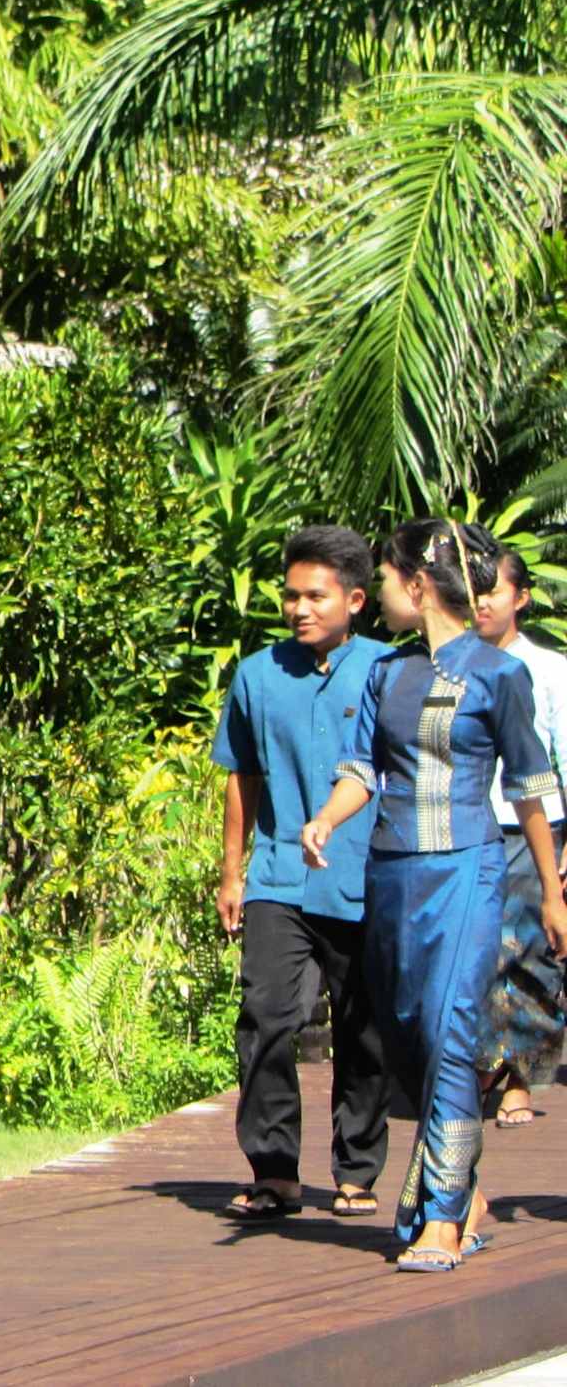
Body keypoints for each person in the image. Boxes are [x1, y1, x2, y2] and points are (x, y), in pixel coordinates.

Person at [302, 520, 567, 1272]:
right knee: (408, 1037)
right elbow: (361, 770)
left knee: (451, 1032)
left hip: (469, 872)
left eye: (386, 578)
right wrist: (326, 819)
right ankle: (465, 1188)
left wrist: (552, 892)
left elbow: (532, 788)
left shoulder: (498, 674)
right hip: (391, 874)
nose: (380, 591)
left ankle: (443, 1220)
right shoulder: (386, 673)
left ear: (418, 586)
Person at [211, 526, 393, 1220]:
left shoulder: (387, 670)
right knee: (265, 1015)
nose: (299, 609)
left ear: (355, 600)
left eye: (316, 596)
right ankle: (274, 1169)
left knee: (362, 1026)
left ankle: (358, 1171)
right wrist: (232, 873)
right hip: (277, 875)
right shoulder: (257, 674)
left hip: (363, 878)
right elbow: (240, 776)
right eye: (291, 596)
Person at [473, 547, 567, 1128]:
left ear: (522, 597)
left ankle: (521, 1079)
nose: (481, 602)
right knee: (480, 954)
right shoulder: (452, 665)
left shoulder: (550, 669)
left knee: (532, 956)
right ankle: (482, 1065)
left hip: (535, 830)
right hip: (470, 830)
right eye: (474, 590)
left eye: (494, 590)